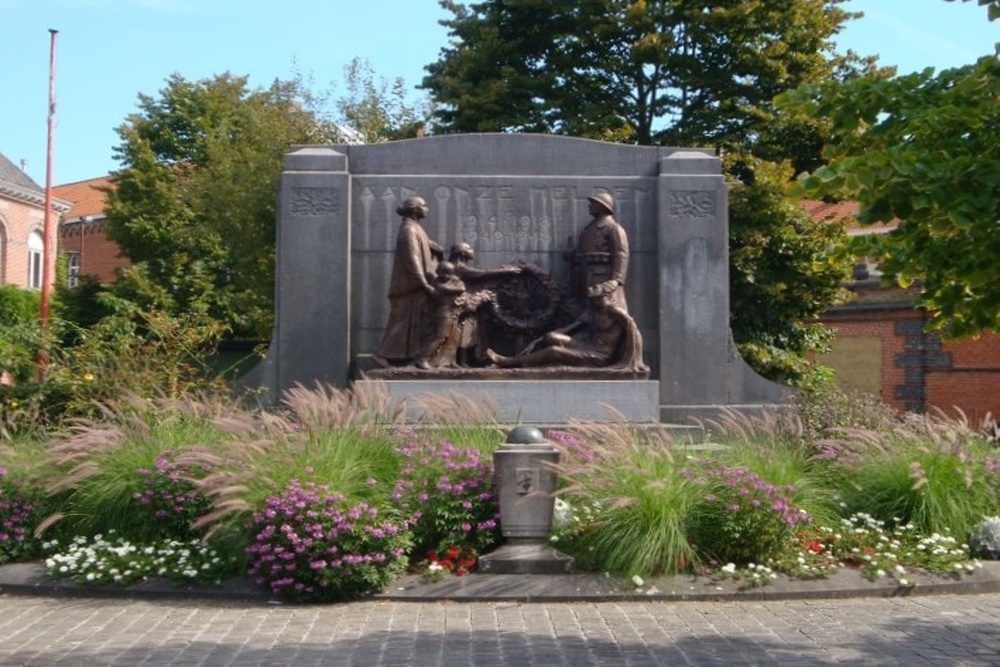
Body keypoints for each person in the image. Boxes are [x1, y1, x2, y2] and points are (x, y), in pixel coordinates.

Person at [484, 285, 647, 372]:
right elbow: (566, 330)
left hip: (599, 355)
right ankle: (528, 358)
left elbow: (632, 329)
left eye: (596, 287)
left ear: (605, 294)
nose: (592, 288)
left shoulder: (614, 312)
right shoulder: (592, 311)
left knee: (553, 350)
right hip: (585, 345)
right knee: (552, 338)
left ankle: (510, 362)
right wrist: (538, 340)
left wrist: (634, 358)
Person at [372, 195, 444, 367]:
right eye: (424, 205)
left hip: (416, 286)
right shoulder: (408, 230)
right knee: (401, 322)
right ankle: (381, 355)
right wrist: (424, 284)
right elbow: (412, 260)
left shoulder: (415, 227)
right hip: (409, 287)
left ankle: (411, 356)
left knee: (412, 323)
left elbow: (425, 243)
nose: (427, 209)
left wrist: (435, 247)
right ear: (414, 209)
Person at [565, 191, 630, 312]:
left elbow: (621, 254)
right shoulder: (588, 229)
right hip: (585, 275)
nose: (589, 206)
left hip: (602, 278)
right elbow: (584, 252)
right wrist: (572, 255)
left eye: (593, 204)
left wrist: (616, 280)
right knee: (587, 311)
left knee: (604, 312)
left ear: (602, 206)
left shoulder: (614, 228)